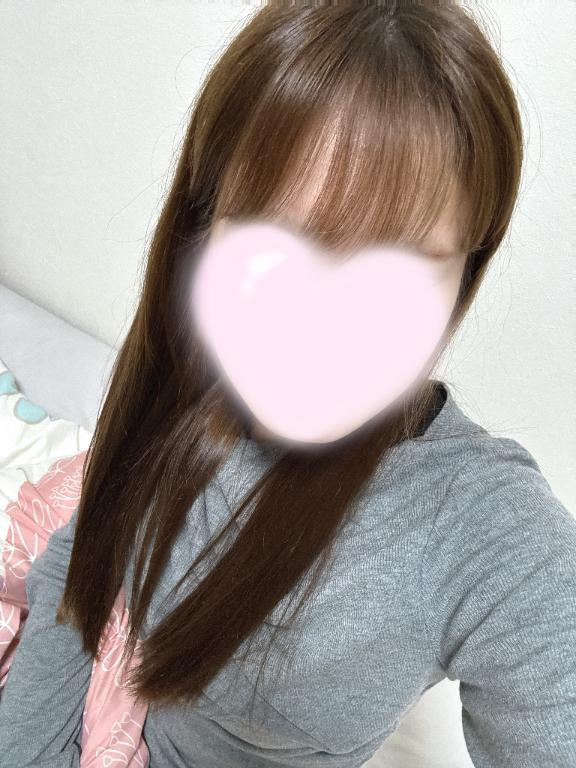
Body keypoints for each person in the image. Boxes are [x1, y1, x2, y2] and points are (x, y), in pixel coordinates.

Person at [1, 2, 575, 767]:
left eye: (398, 268)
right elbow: (81, 561)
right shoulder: (187, 373)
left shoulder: (490, 534)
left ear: (464, 274)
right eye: (273, 241)